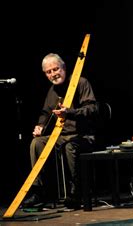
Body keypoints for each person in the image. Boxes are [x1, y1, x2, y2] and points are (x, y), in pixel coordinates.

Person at [23, 53, 98, 209]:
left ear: (63, 67)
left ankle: (75, 192)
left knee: (70, 146)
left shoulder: (81, 82)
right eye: (48, 72)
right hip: (60, 135)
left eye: (55, 69)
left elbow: (92, 108)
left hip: (82, 135)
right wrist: (40, 126)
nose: (53, 74)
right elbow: (45, 113)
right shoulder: (52, 91)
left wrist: (70, 112)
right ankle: (39, 190)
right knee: (36, 143)